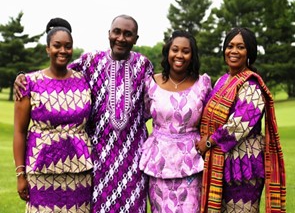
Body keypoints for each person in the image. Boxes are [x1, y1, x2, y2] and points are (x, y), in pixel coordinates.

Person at [14, 14, 153, 212]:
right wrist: (23, 77)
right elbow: (57, 72)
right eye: (117, 32)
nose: (121, 38)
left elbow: (157, 95)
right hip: (98, 159)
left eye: (128, 34)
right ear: (109, 34)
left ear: (136, 39)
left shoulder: (144, 65)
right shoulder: (91, 61)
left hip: (132, 160)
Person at [195, 27, 286, 212]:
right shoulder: (222, 80)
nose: (234, 51)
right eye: (230, 46)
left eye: (240, 47)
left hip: (244, 163)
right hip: (220, 162)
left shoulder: (252, 84)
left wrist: (210, 142)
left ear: (249, 52)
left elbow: (240, 124)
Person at [13, 17, 93, 212]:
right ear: (48, 48)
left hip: (79, 170)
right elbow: (19, 132)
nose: (63, 51)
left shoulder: (83, 79)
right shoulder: (28, 83)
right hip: (41, 170)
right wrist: (20, 175)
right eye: (57, 46)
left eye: (68, 46)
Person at [139, 30, 212, 212]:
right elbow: (140, 116)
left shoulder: (202, 84)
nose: (179, 55)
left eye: (185, 51)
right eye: (175, 50)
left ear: (192, 55)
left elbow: (212, 119)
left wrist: (209, 141)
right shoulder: (151, 84)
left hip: (191, 163)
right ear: (168, 52)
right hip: (159, 163)